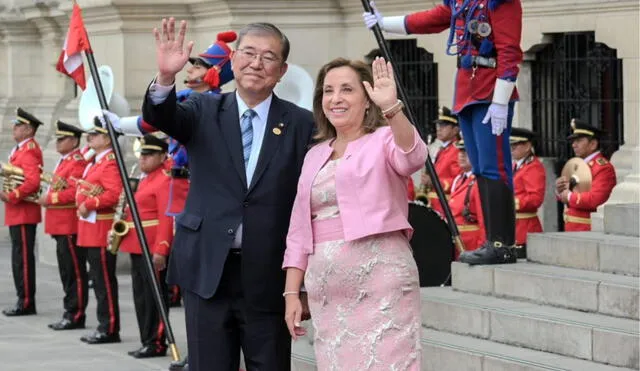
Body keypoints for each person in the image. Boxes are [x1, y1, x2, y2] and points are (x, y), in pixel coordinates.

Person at [141, 19, 314, 371]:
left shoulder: (302, 124)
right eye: (249, 53)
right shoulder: (203, 109)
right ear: (233, 59)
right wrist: (164, 78)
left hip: (268, 275)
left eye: (268, 57)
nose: (256, 63)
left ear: (281, 71)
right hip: (207, 271)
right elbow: (161, 115)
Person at [282, 57, 426, 370]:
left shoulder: (384, 139)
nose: (336, 98)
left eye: (347, 89)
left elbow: (412, 157)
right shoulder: (314, 155)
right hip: (328, 292)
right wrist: (292, 292)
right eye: (328, 90)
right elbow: (298, 231)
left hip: (381, 282)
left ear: (366, 99)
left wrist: (392, 108)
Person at [363, 0, 523, 265]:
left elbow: (509, 51)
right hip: (468, 89)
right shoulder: (462, 2)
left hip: (489, 91)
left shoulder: (501, 2)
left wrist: (500, 100)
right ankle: (491, 241)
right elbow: (432, 19)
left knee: (495, 168)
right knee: (481, 168)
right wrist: (384, 23)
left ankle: (502, 244)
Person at [109, 31, 237, 313]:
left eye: (199, 65)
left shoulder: (223, 106)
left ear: (215, 72)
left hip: (203, 191)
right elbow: (151, 121)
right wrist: (121, 125)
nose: (190, 69)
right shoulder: (184, 97)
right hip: (178, 191)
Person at [117, 134, 174, 358]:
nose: (143, 159)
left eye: (149, 155)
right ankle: (146, 339)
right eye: (142, 154)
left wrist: (161, 249)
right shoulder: (145, 178)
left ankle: (157, 341)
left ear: (162, 156)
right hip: (136, 245)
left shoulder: (164, 180)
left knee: (154, 297)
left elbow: (166, 218)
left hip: (151, 246)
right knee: (140, 296)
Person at [76, 118, 123, 344]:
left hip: (101, 228)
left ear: (107, 139)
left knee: (104, 281)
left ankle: (109, 327)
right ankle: (103, 324)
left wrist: (90, 203)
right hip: (90, 228)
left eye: (95, 135)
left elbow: (114, 195)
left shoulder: (110, 162)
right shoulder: (95, 161)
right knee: (98, 279)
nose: (90, 138)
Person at [40, 121, 89, 330]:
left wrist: (50, 198)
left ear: (74, 141)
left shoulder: (77, 162)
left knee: (74, 273)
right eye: (58, 139)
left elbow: (74, 193)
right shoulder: (65, 161)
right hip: (60, 225)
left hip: (69, 225)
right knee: (66, 272)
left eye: (62, 139)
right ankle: (70, 311)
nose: (58, 142)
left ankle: (75, 313)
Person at [0, 107, 43, 316]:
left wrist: (13, 195)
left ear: (27, 129)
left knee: (23, 259)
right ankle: (22, 298)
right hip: (17, 212)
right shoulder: (20, 149)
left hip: (24, 211)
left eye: (17, 126)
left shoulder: (29, 150)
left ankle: (26, 301)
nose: (14, 129)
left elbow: (33, 182)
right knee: (19, 258)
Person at [556, 119, 616, 231]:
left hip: (587, 229)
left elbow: (596, 200)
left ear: (593, 144)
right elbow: (572, 192)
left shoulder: (603, 167)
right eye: (573, 141)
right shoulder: (578, 164)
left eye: (578, 140)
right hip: (572, 227)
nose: (574, 145)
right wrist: (561, 191)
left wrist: (569, 196)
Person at [417, 106, 461, 215]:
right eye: (438, 125)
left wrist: (434, 182)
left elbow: (459, 181)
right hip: (436, 205)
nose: (439, 128)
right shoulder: (443, 149)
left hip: (446, 206)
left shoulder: (457, 150)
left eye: (444, 125)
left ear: (455, 130)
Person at [510, 127, 545, 257]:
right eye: (511, 144)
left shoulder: (533, 167)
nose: (512, 148)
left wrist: (510, 202)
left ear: (527, 146)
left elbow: (535, 199)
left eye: (516, 144)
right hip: (514, 225)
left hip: (526, 227)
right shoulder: (516, 165)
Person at [448, 139, 484, 258]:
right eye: (460, 151)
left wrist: (481, 247)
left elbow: (483, 219)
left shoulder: (478, 182)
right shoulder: (458, 179)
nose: (462, 155)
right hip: (457, 239)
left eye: (467, 151)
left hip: (471, 242)